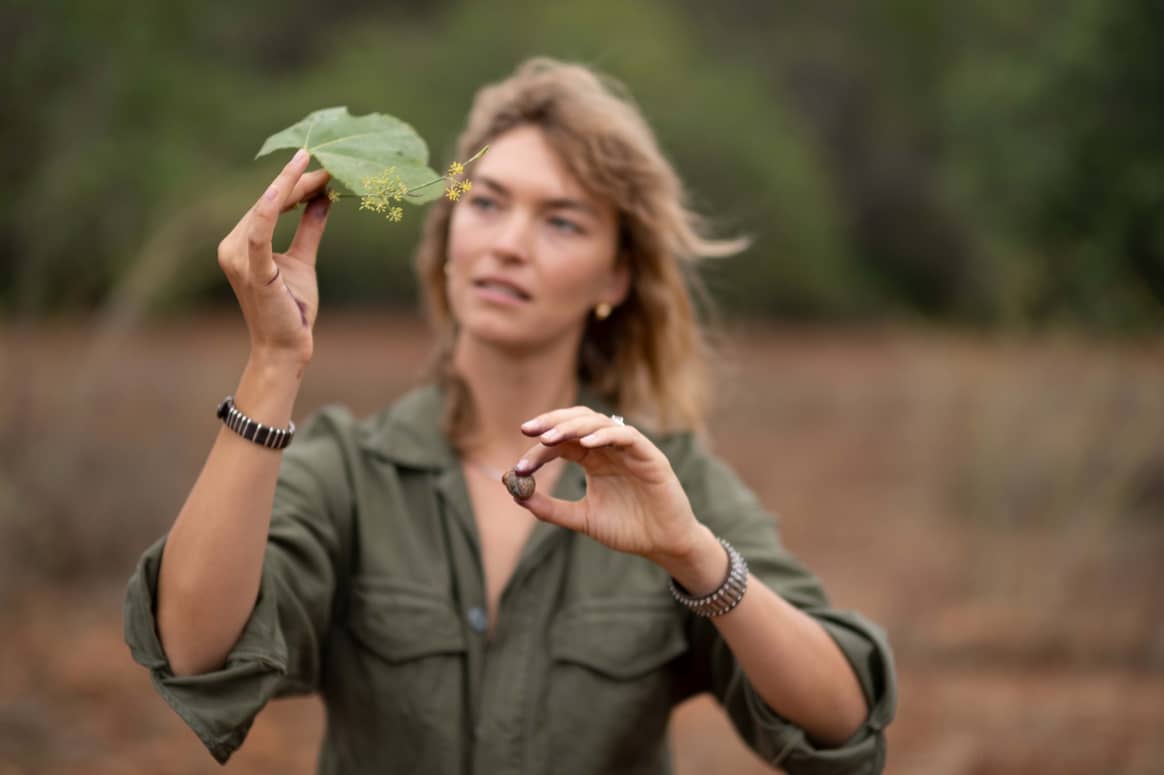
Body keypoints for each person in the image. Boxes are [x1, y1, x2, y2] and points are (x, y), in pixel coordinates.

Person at [124, 58, 895, 774]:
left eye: (562, 221)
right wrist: (272, 363)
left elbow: (845, 718)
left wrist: (697, 559)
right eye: (486, 203)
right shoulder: (352, 471)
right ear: (449, 232)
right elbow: (194, 650)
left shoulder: (676, 484)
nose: (509, 244)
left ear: (617, 275)